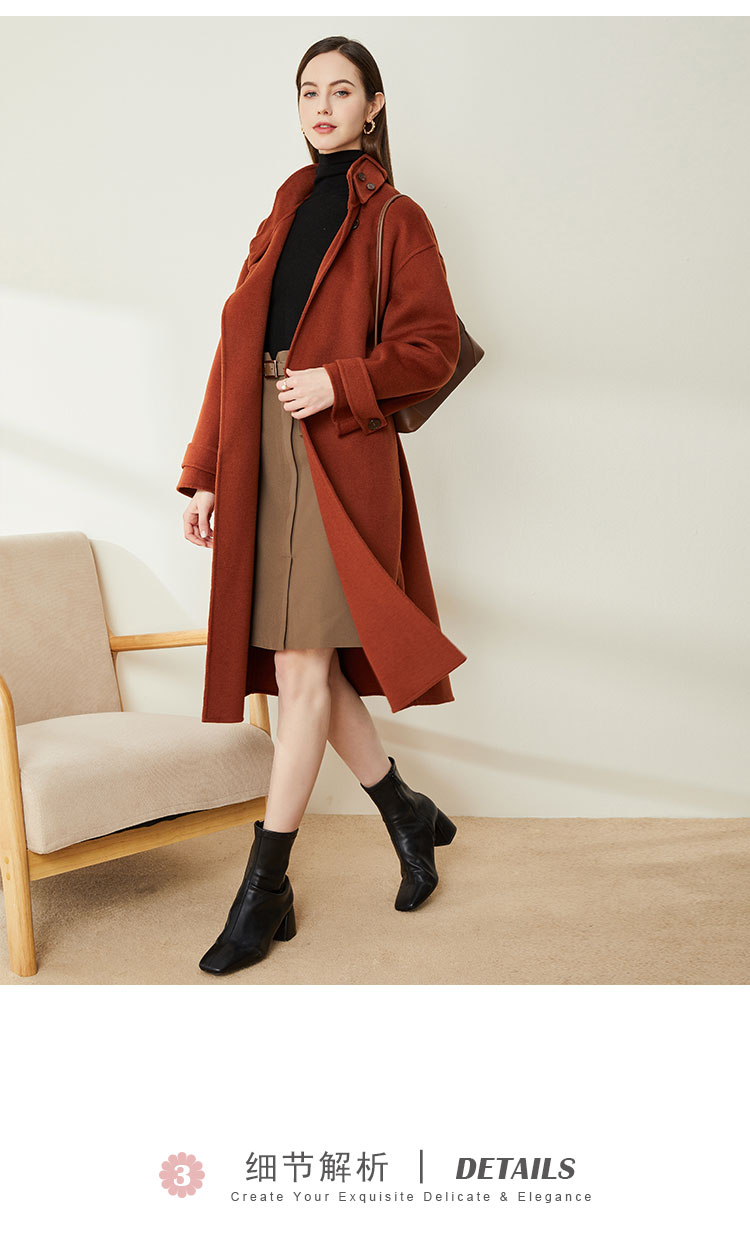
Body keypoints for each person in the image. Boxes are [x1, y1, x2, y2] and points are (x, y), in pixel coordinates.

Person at [179, 36, 463, 976]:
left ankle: (265, 886)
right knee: (308, 662)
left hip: (337, 452)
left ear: (374, 105)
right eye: (310, 91)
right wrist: (207, 470)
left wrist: (340, 381)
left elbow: (432, 347)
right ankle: (406, 812)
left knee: (303, 664)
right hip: (261, 449)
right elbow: (235, 348)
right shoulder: (287, 204)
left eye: (342, 90)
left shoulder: (397, 218)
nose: (324, 106)